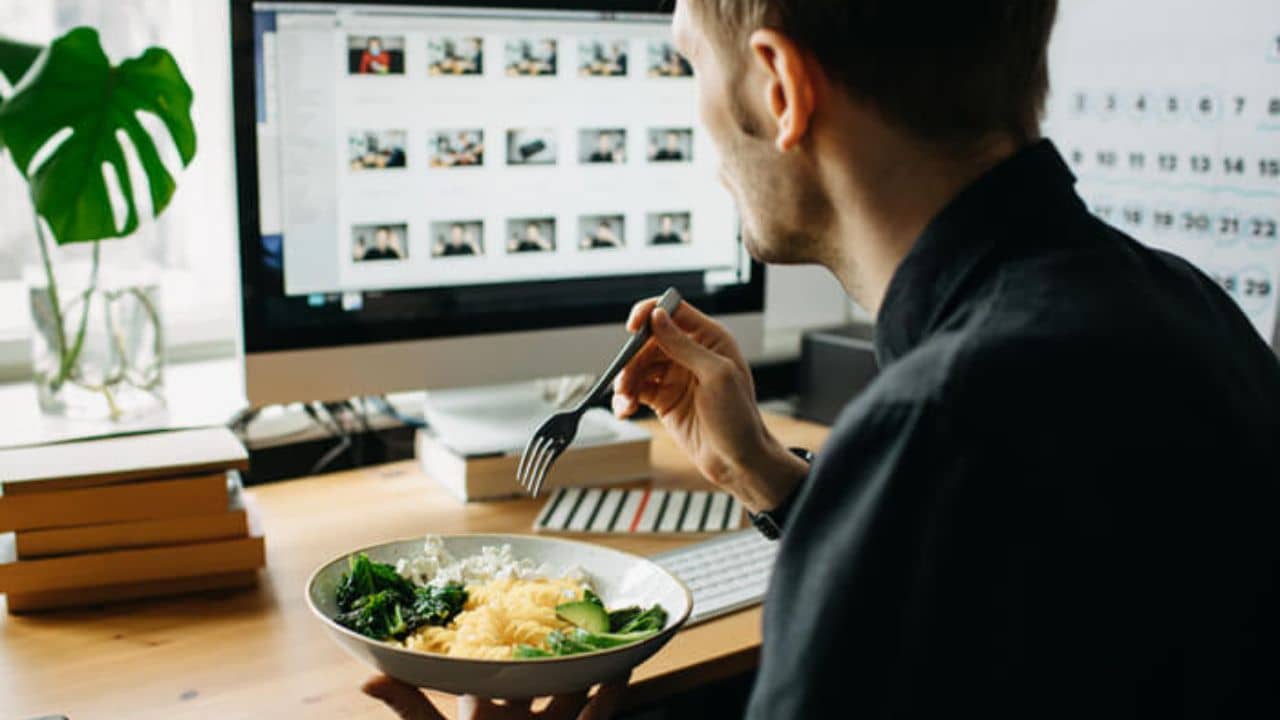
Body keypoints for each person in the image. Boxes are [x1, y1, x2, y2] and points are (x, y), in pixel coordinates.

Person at [366, 1, 1280, 718]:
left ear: (778, 88)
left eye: (689, 62)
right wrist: (770, 478)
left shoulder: (940, 426)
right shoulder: (1180, 301)